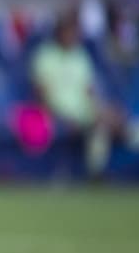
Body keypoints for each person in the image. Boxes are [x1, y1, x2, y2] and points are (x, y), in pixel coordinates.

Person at [30, 10, 126, 178]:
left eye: (75, 32)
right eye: (69, 31)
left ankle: (96, 172)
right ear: (59, 32)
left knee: (105, 122)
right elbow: (41, 93)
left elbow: (89, 90)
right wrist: (58, 116)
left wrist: (101, 109)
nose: (72, 36)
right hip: (56, 113)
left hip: (82, 113)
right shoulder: (45, 55)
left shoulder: (80, 56)